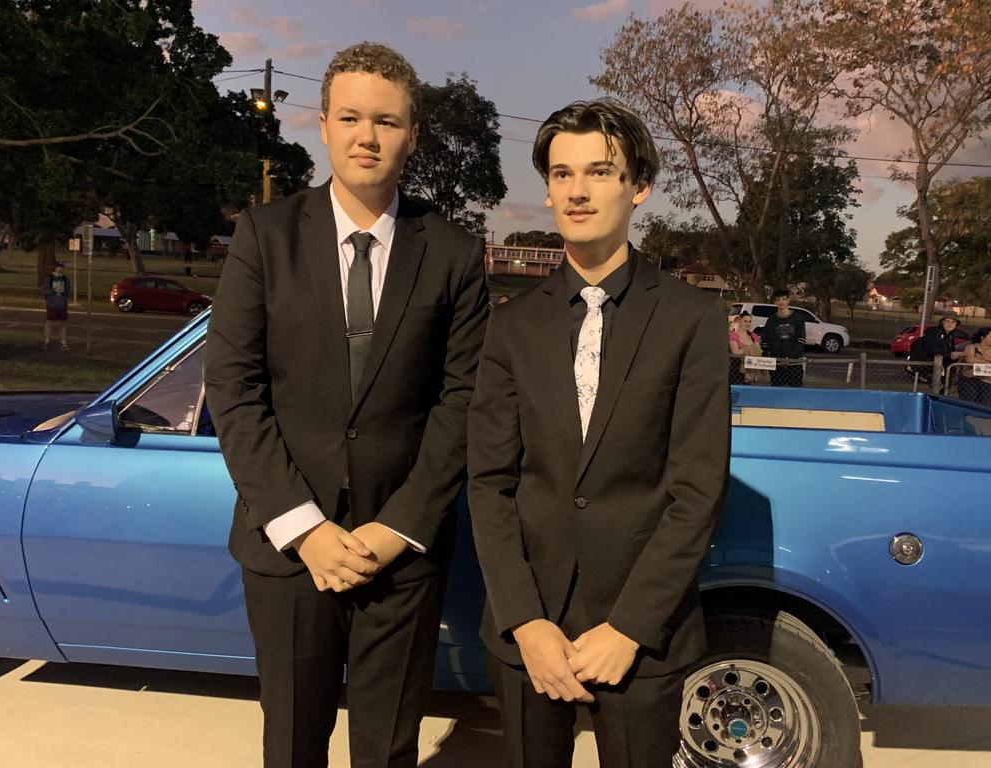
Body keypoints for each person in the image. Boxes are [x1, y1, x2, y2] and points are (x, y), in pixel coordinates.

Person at [203, 42, 488, 768]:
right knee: (293, 745)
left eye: (387, 122)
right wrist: (305, 530)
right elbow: (235, 390)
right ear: (323, 124)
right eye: (353, 118)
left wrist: (400, 527)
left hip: (400, 553)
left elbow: (462, 402)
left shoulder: (452, 253)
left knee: (388, 750)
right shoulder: (265, 238)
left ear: (413, 135)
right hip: (291, 550)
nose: (368, 136)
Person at [467, 99, 730, 768]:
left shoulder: (691, 320)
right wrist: (524, 621)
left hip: (643, 633)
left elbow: (696, 490)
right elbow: (490, 485)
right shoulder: (511, 325)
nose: (577, 191)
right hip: (533, 634)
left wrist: (629, 627)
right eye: (561, 174)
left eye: (599, 171)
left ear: (638, 185)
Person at [759, 289, 805, 387]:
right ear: (775, 302)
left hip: (794, 365)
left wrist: (789, 358)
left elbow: (801, 340)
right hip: (777, 365)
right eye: (778, 300)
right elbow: (765, 341)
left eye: (784, 299)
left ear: (788, 300)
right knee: (777, 395)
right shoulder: (771, 320)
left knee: (794, 396)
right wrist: (766, 359)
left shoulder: (798, 318)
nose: (781, 302)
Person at [41, 262, 72, 351]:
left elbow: (69, 291)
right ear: (55, 268)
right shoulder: (49, 278)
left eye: (62, 267)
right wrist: (53, 291)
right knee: (49, 323)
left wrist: (64, 293)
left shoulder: (66, 279)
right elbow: (44, 290)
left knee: (62, 324)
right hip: (52, 304)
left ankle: (63, 342)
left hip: (62, 304)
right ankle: (46, 341)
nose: (61, 269)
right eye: (59, 267)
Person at [957, 326, 991, 406]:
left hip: (987, 382)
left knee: (985, 404)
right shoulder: (972, 347)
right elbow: (970, 359)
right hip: (970, 380)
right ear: (982, 337)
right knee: (969, 403)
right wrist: (986, 362)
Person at [728, 310, 762, 384]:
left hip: (752, 369)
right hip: (738, 370)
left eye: (750, 321)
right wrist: (750, 349)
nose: (748, 324)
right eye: (745, 321)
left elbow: (758, 351)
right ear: (740, 321)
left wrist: (744, 350)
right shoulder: (733, 336)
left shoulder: (754, 336)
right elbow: (735, 352)